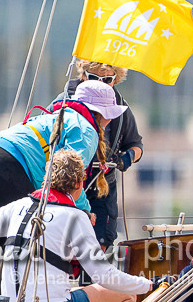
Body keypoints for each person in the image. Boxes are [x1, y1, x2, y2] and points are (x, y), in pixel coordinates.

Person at [0, 149, 154, 302]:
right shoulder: (75, 217)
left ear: (46, 178)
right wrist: (148, 284)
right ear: (79, 183)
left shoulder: (19, 206)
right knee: (125, 295)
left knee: (78, 294)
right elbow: (103, 275)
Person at [0, 80, 126, 216]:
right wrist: (85, 212)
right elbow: (71, 176)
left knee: (8, 239)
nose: (111, 119)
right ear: (102, 113)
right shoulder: (85, 129)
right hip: (2, 166)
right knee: (32, 240)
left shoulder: (55, 117)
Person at [56, 60, 143, 247]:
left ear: (115, 80)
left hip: (103, 185)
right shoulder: (61, 104)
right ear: (83, 76)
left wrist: (126, 158)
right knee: (63, 243)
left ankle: (93, 266)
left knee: (101, 242)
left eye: (107, 80)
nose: (100, 83)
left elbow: (136, 145)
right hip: (66, 184)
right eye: (94, 78)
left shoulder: (122, 109)